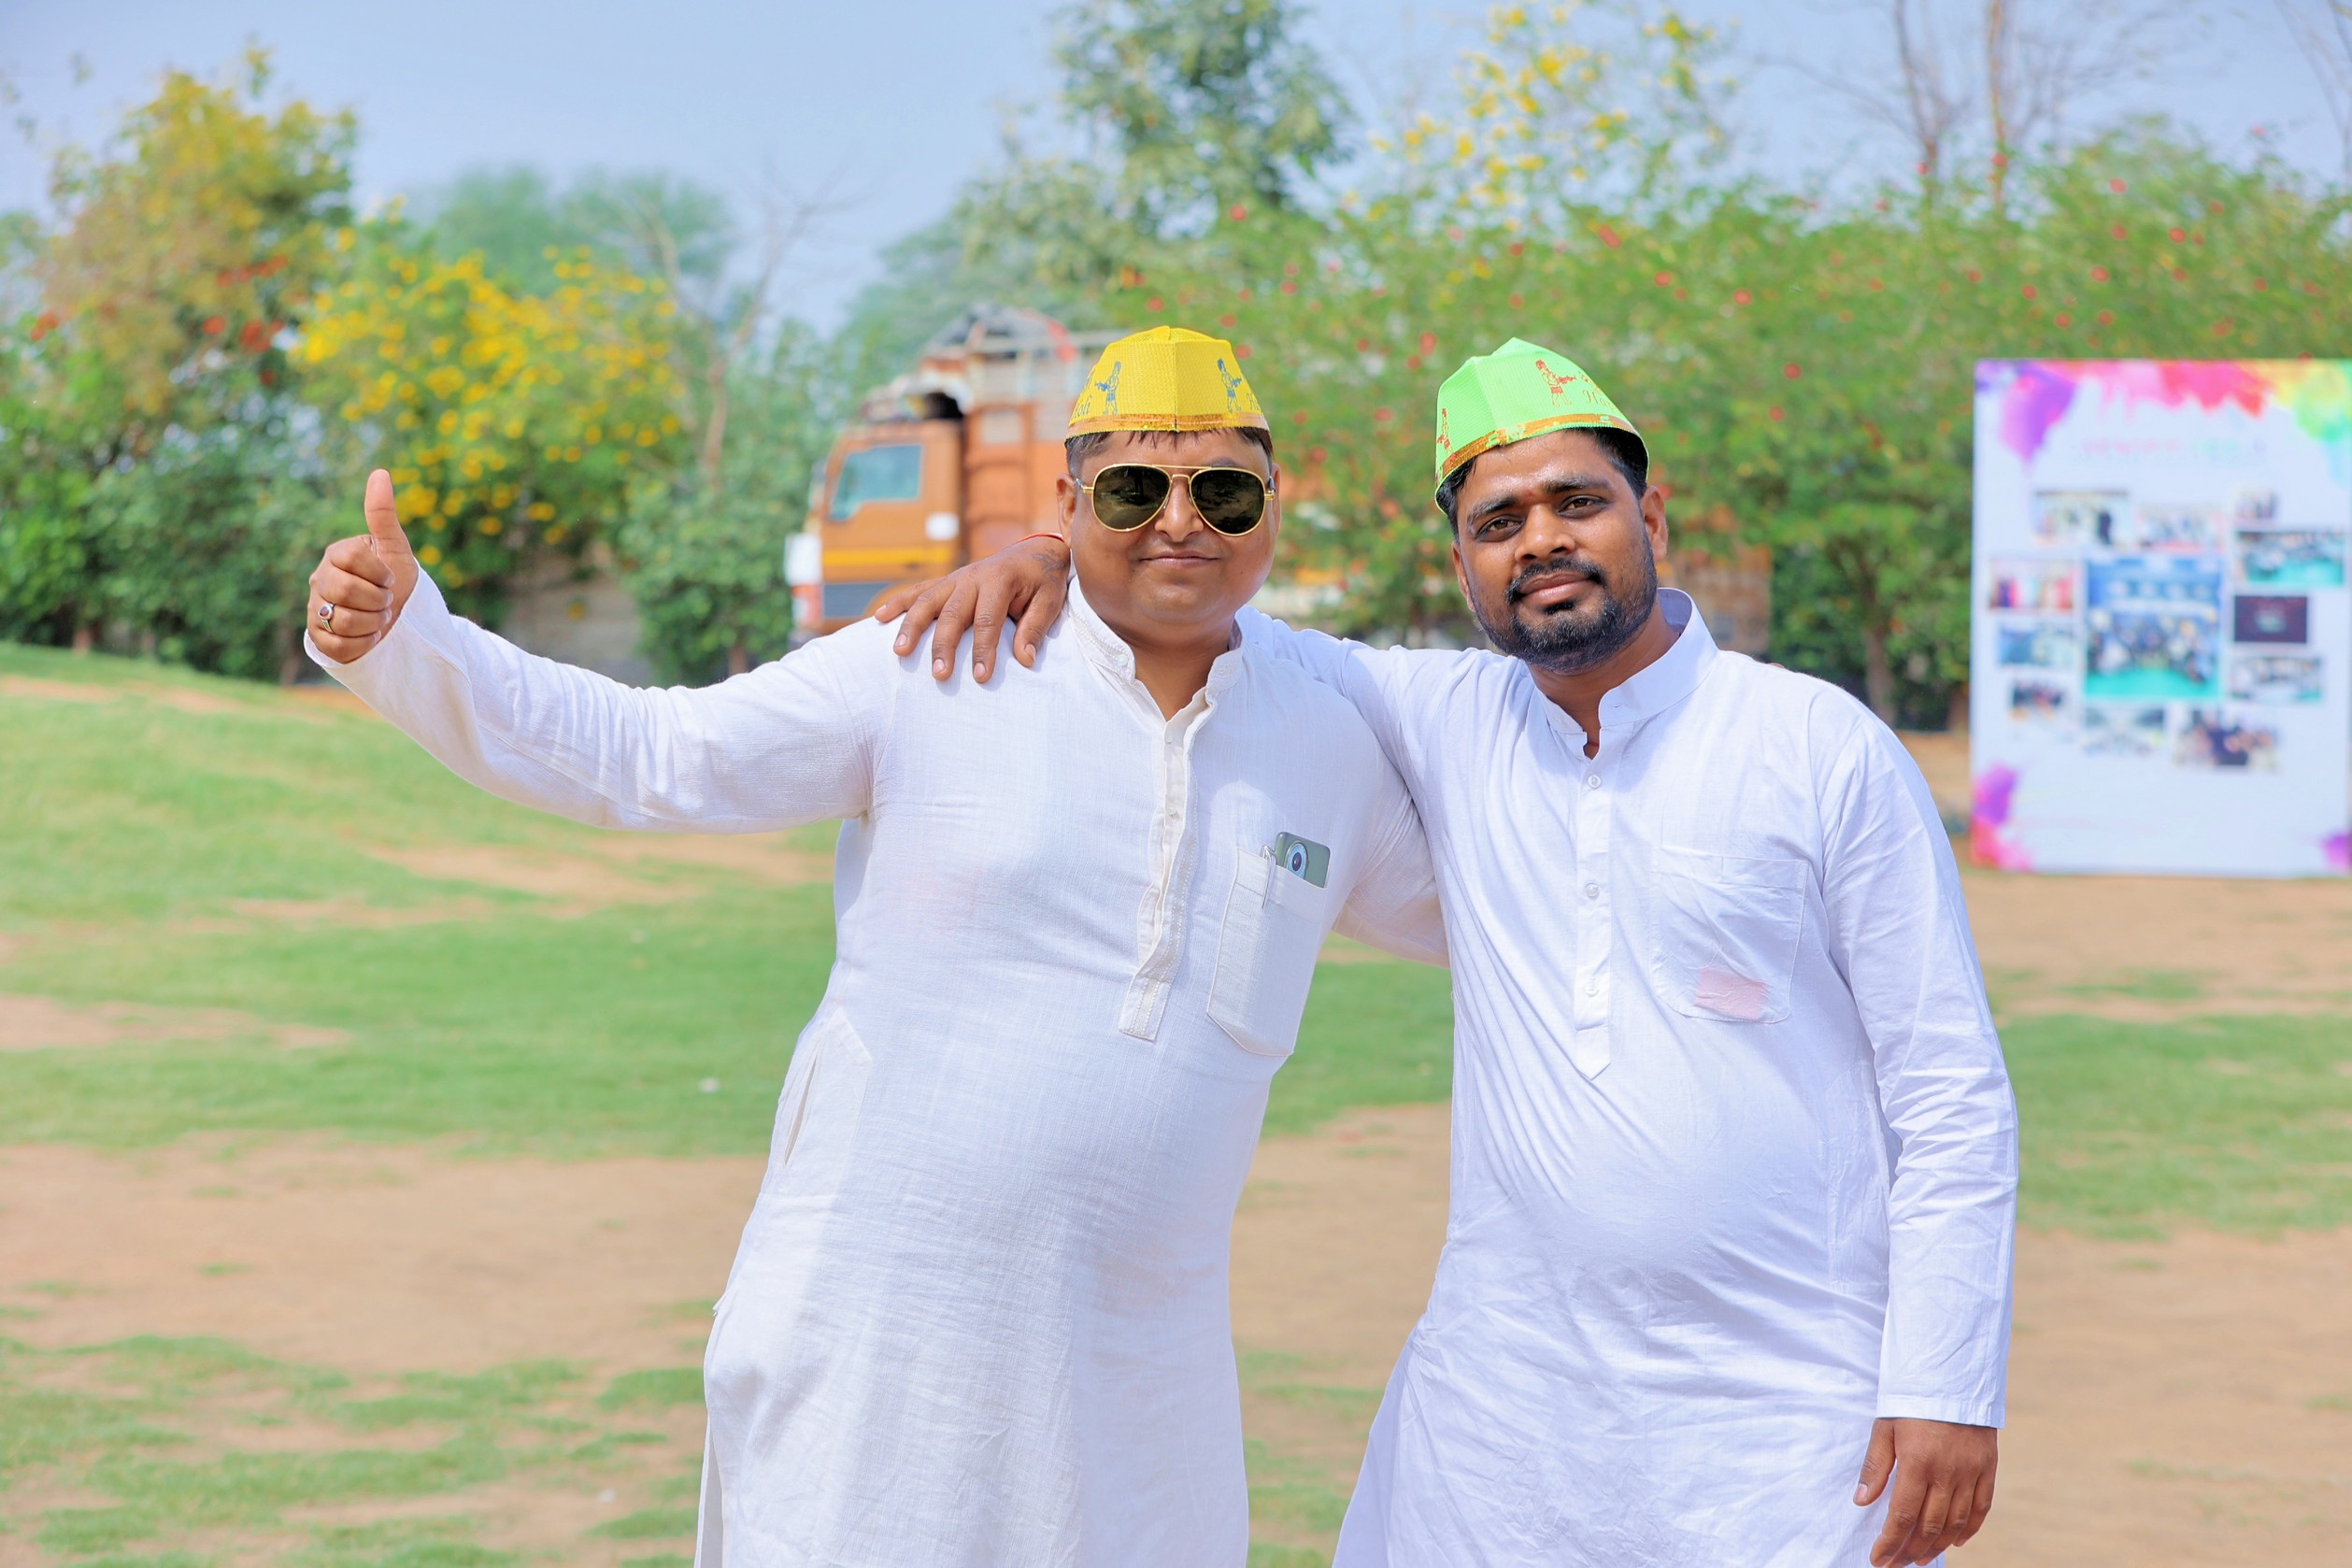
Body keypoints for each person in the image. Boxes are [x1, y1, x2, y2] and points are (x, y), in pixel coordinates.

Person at [301, 325, 1445, 1568]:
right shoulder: (937, 662)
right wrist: (414, 640)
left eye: (1223, 492)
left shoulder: (1322, 742)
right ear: (1067, 504)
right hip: (874, 1359)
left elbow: (1496, 917)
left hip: (1141, 1399)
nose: (1181, 522)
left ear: (1274, 506)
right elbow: (651, 755)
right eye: (1132, 490)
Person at [882, 338, 2019, 1568]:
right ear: (1462, 563)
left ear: (1651, 516)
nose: (1541, 541)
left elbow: (1948, 1093)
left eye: (1576, 502)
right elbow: (1197, 603)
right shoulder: (1448, 721)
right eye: (1498, 522)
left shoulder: (1815, 746)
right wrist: (1047, 551)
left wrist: (1945, 1382)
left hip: (1780, 1425)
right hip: (1496, 1426)